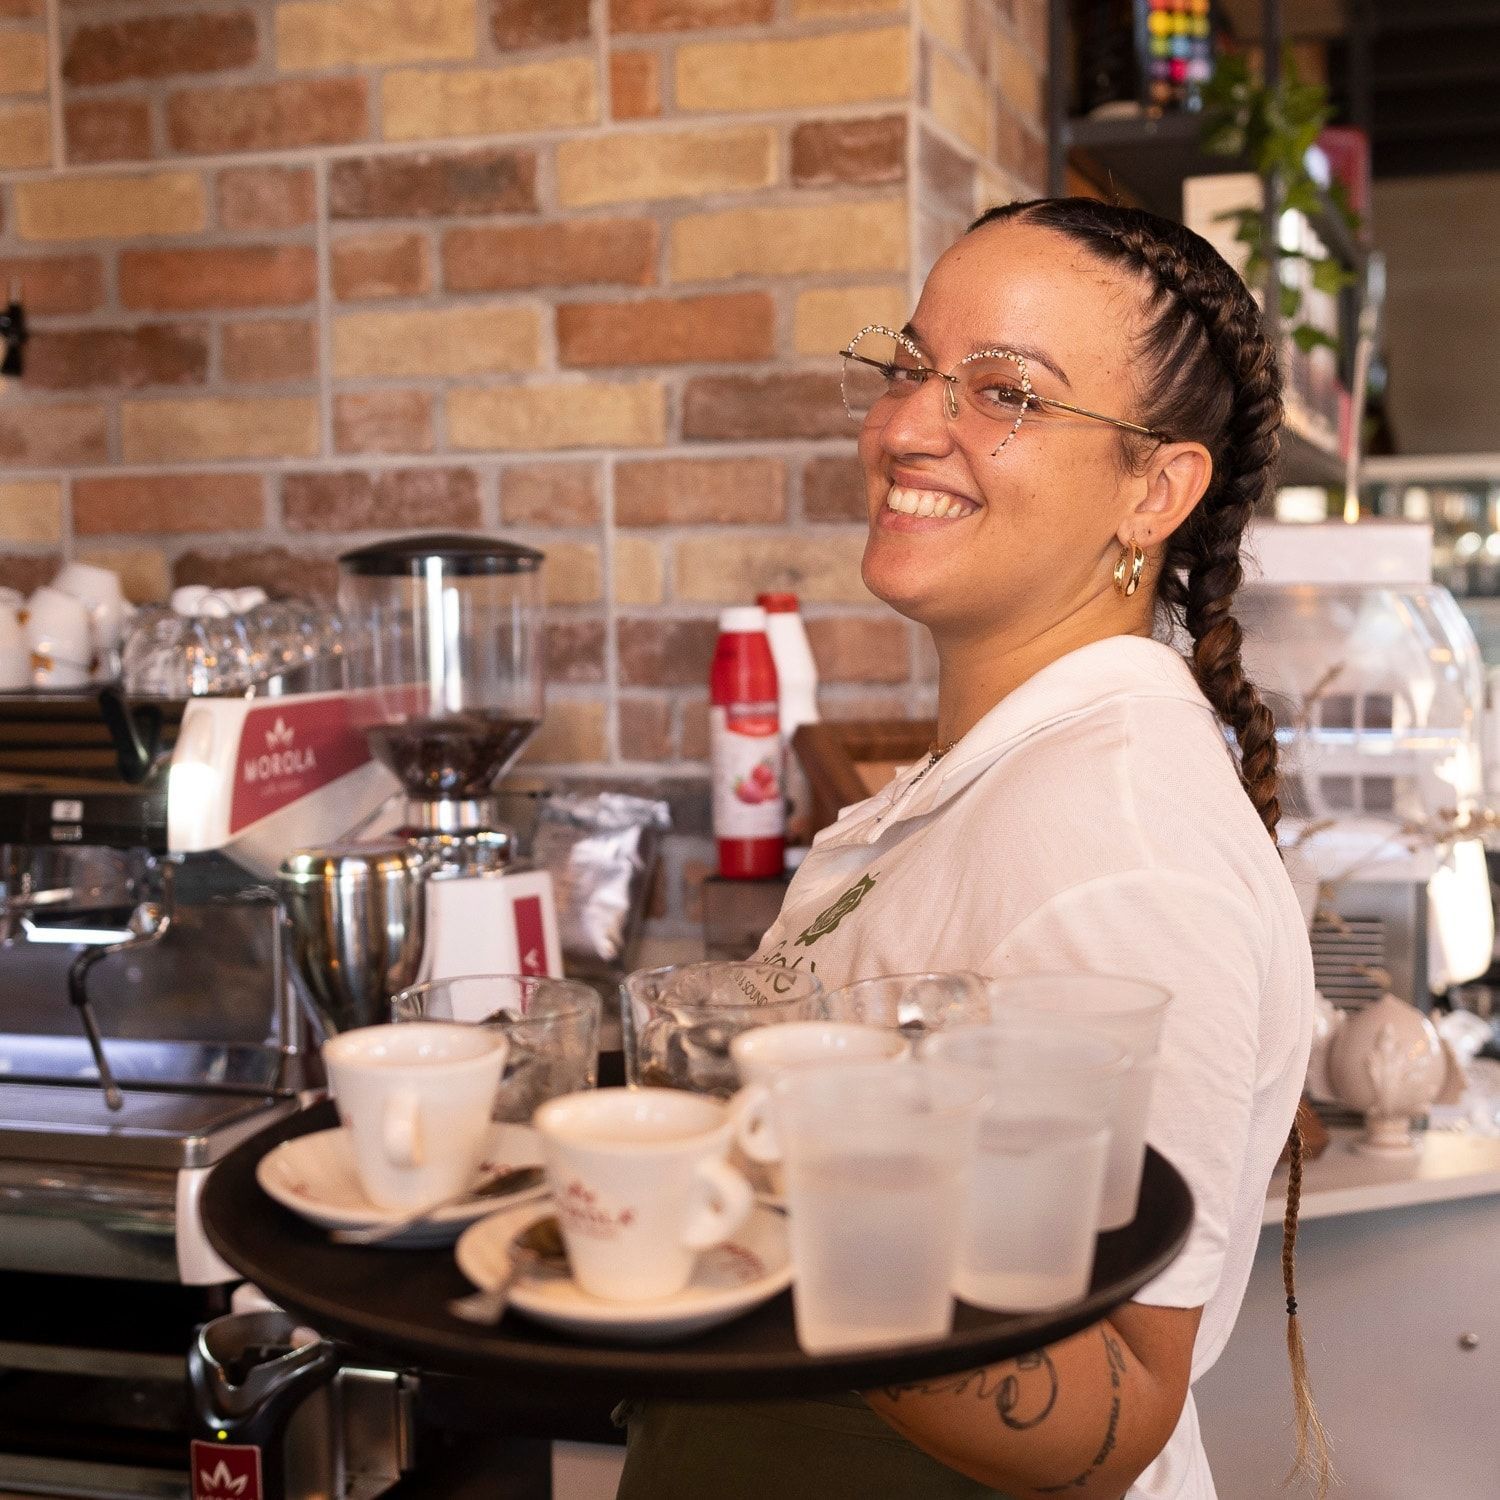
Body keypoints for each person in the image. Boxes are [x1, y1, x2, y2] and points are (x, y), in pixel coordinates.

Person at [616, 197, 1321, 1500]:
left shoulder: (1120, 849)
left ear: (1157, 490)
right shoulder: (1009, 779)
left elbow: (1114, 1410)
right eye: (909, 368)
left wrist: (768, 1203)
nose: (904, 426)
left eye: (1005, 393)